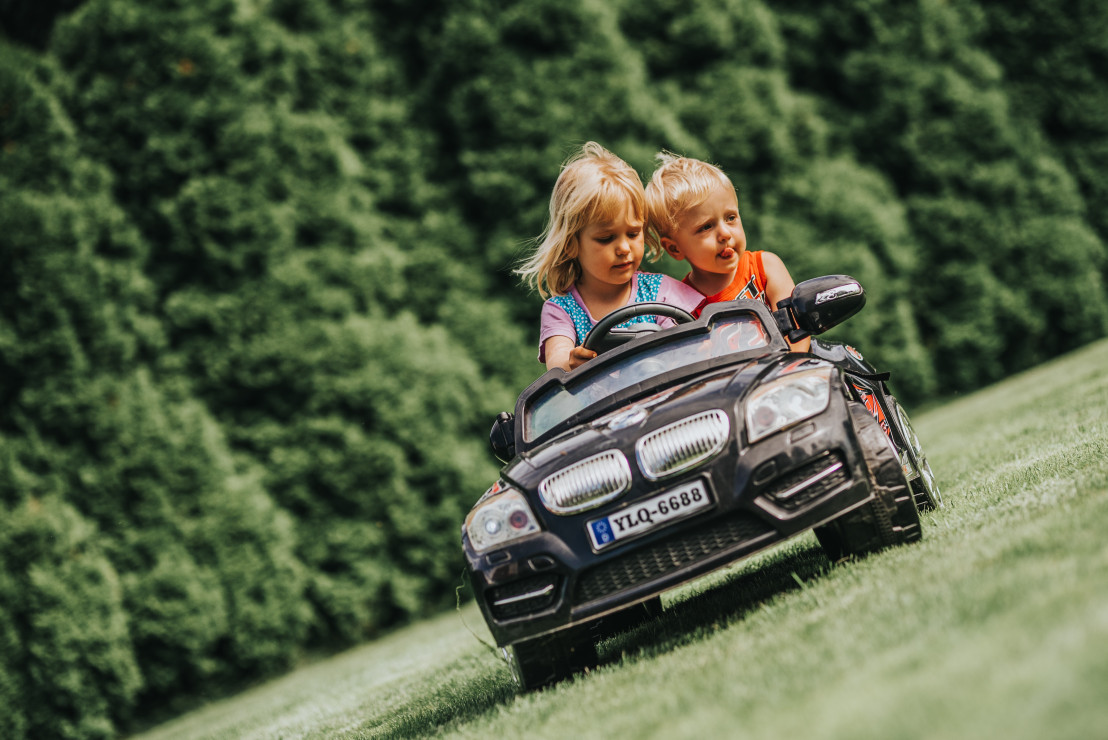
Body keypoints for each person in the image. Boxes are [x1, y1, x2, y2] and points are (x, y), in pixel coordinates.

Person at [517, 142, 705, 372]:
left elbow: (691, 345)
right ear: (570, 245)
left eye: (634, 233)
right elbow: (557, 363)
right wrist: (570, 363)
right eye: (606, 238)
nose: (624, 248)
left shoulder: (661, 292)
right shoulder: (562, 310)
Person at [645, 153, 810, 352]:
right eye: (706, 227)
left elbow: (798, 335)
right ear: (674, 248)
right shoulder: (680, 308)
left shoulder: (764, 268)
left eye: (730, 218)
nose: (725, 233)